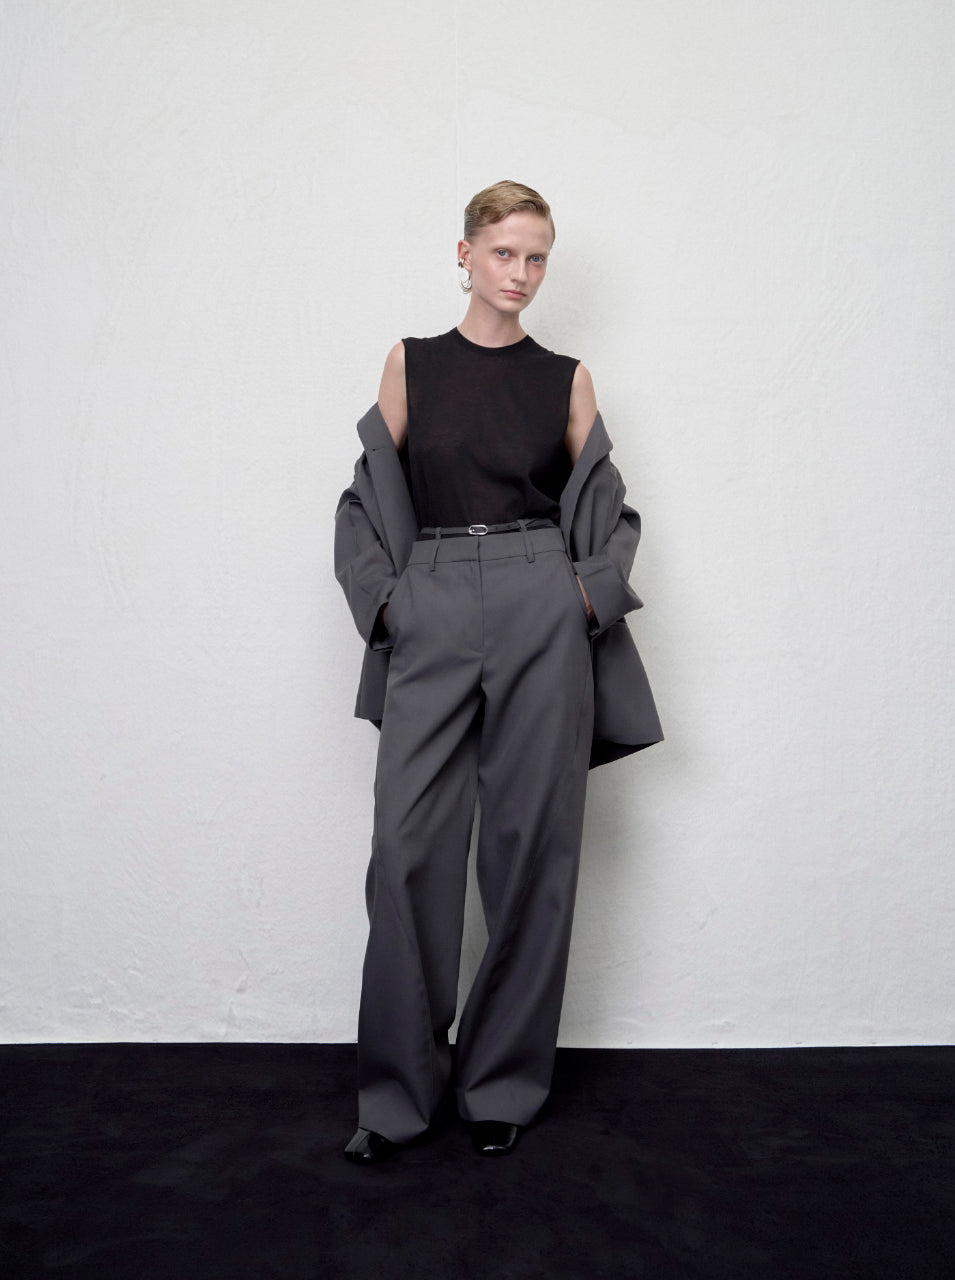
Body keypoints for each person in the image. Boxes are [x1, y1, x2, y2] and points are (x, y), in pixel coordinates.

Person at [334, 180, 662, 1162]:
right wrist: (389, 603)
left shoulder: (567, 378)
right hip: (432, 592)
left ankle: (501, 1085)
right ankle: (396, 1098)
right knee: (407, 850)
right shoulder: (413, 362)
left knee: (532, 851)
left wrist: (583, 597)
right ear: (465, 255)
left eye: (537, 257)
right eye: (505, 252)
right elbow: (363, 502)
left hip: (538, 597)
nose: (521, 274)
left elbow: (609, 509)